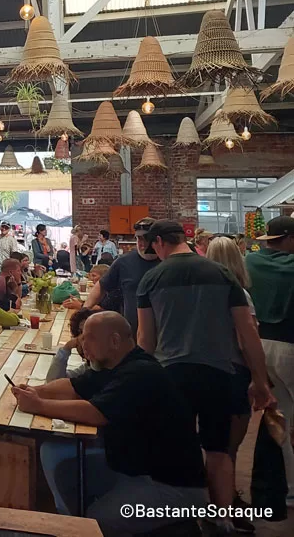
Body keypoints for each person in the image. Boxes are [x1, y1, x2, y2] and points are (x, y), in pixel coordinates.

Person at [14, 312, 207, 535]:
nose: (83, 344)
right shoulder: (112, 366)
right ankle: (74, 524)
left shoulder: (140, 372)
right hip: (133, 470)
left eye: (89, 338)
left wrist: (38, 406)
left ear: (114, 341)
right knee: (62, 466)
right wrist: (35, 392)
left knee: (94, 522)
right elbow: (73, 386)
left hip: (172, 487)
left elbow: (96, 413)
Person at [136, 220, 274, 532]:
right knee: (219, 450)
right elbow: (248, 333)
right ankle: (221, 521)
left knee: (178, 448)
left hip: (171, 376)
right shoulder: (223, 274)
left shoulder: (151, 279)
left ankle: (181, 520)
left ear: (159, 242)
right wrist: (260, 380)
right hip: (220, 375)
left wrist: (135, 380)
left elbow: (146, 339)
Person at [206, 235, 258, 523]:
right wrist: (260, 379)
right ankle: (225, 507)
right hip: (234, 372)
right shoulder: (240, 294)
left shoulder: (198, 294)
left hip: (203, 370)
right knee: (228, 447)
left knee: (212, 443)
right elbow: (245, 340)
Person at [245, 216, 294, 505]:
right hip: (290, 344)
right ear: (288, 239)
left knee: (279, 417)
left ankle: (287, 488)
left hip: (259, 346)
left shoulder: (250, 262)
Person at [84, 218, 159, 335]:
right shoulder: (125, 261)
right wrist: (84, 312)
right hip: (131, 332)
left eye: (146, 239)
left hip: (161, 333)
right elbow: (102, 285)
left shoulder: (166, 261)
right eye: (139, 238)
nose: (142, 243)